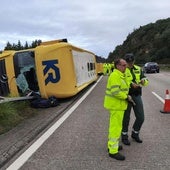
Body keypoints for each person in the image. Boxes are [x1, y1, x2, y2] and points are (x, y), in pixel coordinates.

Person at [104, 58, 133, 161]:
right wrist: (126, 97)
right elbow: (115, 91)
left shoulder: (121, 75)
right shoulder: (115, 75)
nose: (126, 66)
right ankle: (113, 151)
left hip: (118, 106)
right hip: (116, 106)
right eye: (124, 65)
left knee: (116, 127)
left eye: (126, 65)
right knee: (115, 128)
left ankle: (112, 145)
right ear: (118, 66)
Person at [121, 53, 149, 145]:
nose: (130, 64)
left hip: (136, 95)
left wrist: (143, 81)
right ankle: (124, 136)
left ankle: (135, 133)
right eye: (128, 62)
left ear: (134, 61)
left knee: (141, 117)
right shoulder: (121, 70)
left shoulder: (138, 69)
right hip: (126, 96)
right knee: (126, 118)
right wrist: (130, 84)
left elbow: (145, 79)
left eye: (131, 62)